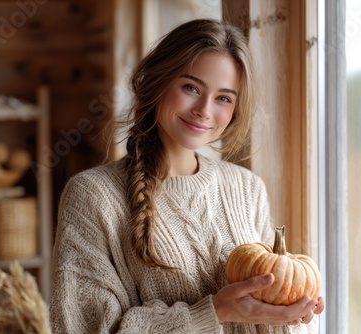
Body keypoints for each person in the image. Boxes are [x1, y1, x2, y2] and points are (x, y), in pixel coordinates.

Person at [49, 18, 324, 333]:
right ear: (158, 82)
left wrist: (288, 315)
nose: (205, 110)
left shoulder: (247, 188)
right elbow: (81, 328)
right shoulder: (93, 195)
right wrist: (215, 311)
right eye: (191, 87)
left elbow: (262, 310)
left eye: (223, 98)